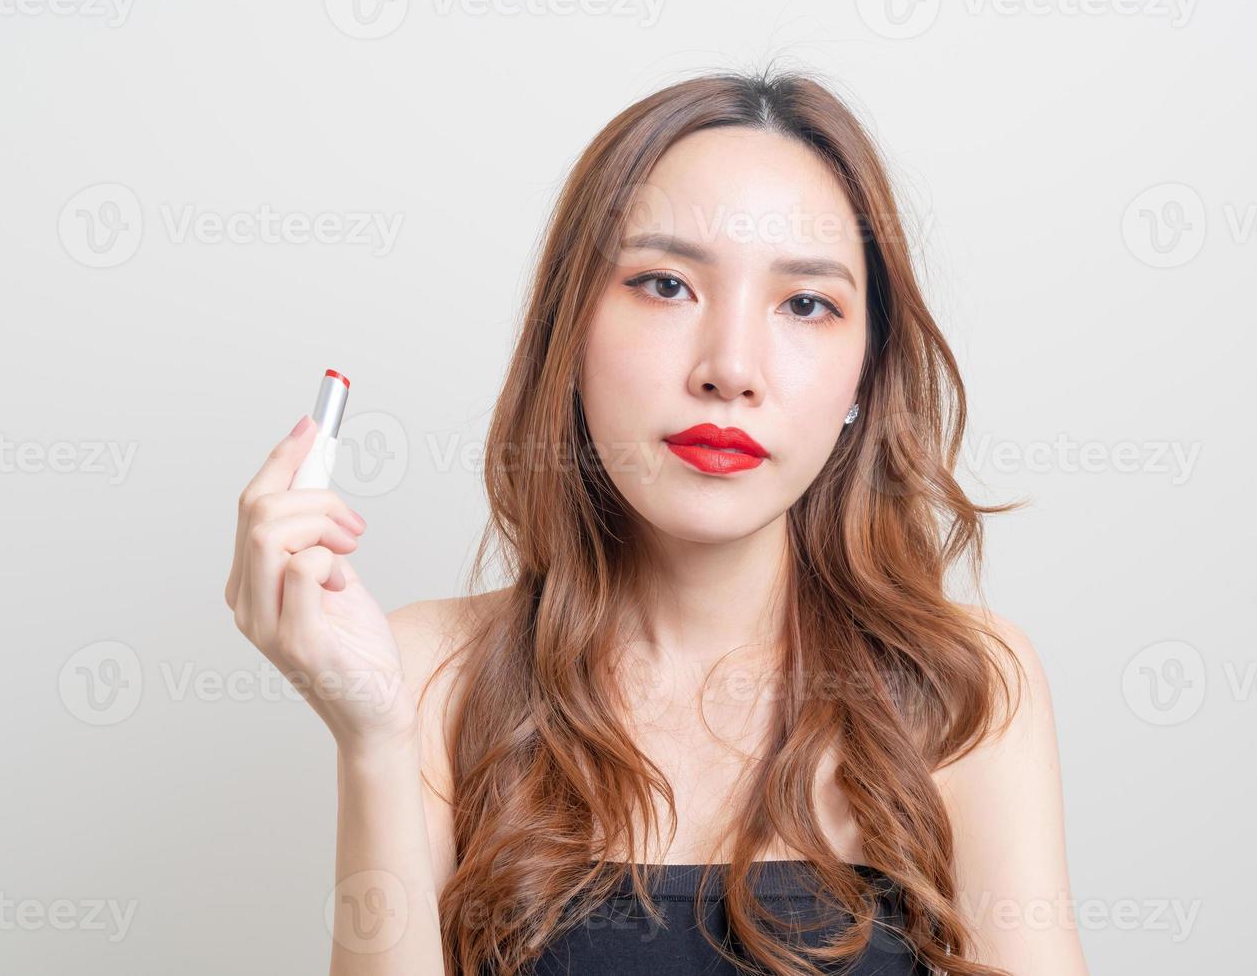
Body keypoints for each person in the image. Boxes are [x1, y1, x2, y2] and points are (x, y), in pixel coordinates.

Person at [224, 66, 1091, 976]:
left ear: (863, 381)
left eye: (806, 303)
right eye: (666, 285)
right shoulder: (428, 676)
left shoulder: (962, 687)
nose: (730, 368)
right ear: (571, 334)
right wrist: (371, 739)